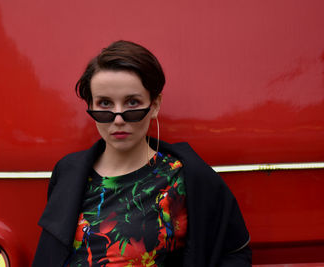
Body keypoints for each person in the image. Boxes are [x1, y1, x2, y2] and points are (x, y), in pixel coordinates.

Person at [32, 40, 251, 267]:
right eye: (105, 103)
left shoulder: (184, 177)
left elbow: (234, 252)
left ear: (154, 105)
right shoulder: (68, 171)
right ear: (91, 106)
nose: (118, 118)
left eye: (132, 102)